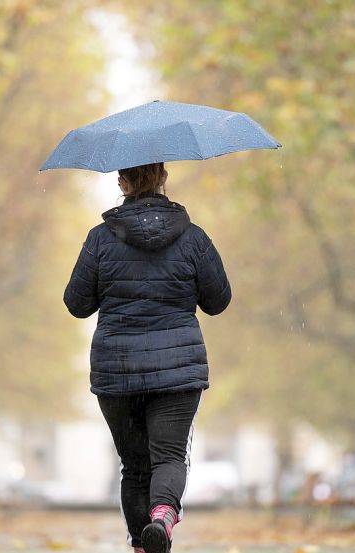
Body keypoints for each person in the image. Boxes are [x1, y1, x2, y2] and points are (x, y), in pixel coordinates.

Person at [63, 162, 231, 553]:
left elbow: (76, 304)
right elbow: (218, 301)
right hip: (177, 372)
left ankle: (142, 544)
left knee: (134, 467)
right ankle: (163, 517)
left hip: (117, 370)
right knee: (169, 456)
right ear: (163, 179)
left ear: (122, 182)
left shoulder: (100, 240)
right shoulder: (193, 239)